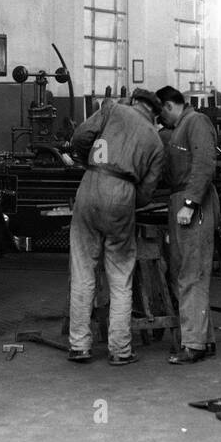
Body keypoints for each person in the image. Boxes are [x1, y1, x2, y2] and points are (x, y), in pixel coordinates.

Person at [66, 88, 165, 366]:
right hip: (123, 193)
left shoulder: (113, 109)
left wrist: (91, 162)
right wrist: (127, 198)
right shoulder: (156, 142)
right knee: (120, 277)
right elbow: (147, 191)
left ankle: (79, 346)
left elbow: (79, 137)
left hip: (91, 183)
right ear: (155, 113)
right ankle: (120, 351)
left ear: (134, 101)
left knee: (83, 269)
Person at [156, 86, 220, 365]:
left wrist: (190, 203)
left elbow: (205, 163)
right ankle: (203, 339)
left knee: (191, 273)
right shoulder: (181, 127)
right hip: (181, 199)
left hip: (193, 202)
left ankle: (193, 345)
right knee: (187, 271)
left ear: (169, 106)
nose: (161, 120)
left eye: (161, 113)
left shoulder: (196, 122)